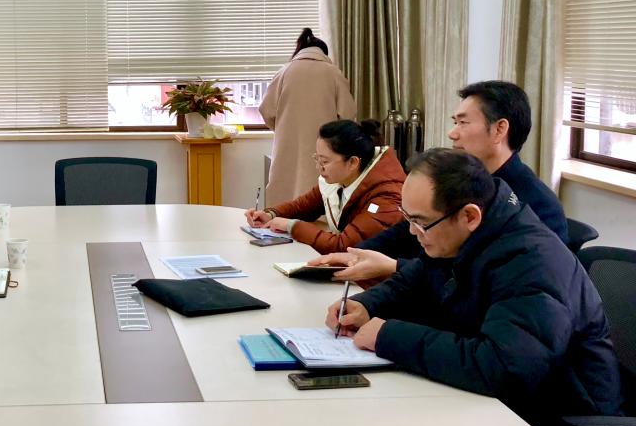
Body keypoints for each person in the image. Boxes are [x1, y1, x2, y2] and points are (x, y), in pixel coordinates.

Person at [325, 148, 622, 426]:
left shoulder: (532, 264)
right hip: (496, 404)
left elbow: (505, 369)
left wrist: (389, 336)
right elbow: (419, 276)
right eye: (408, 218)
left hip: (557, 421)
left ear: (469, 216)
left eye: (420, 222)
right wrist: (368, 304)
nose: (413, 232)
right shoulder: (468, 234)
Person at [310, 80, 568, 284]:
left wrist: (395, 267)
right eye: (455, 122)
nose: (452, 133)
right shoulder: (459, 178)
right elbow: (407, 229)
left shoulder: (537, 206)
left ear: (499, 129)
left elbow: (479, 279)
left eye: (463, 122)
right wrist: (355, 254)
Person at [243, 120, 404, 253]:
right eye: (317, 159)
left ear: (353, 162)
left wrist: (292, 226)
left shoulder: (386, 197)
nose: (319, 167)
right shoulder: (342, 179)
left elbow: (344, 246)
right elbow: (302, 207)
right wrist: (270, 214)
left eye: (324, 161)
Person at [259, 28, 357, 206]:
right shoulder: (333, 73)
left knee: (284, 195)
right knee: (319, 196)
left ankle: (280, 220)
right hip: (326, 146)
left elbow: (266, 111)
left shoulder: (284, 72)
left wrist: (281, 128)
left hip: (287, 145)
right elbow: (347, 115)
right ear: (323, 53)